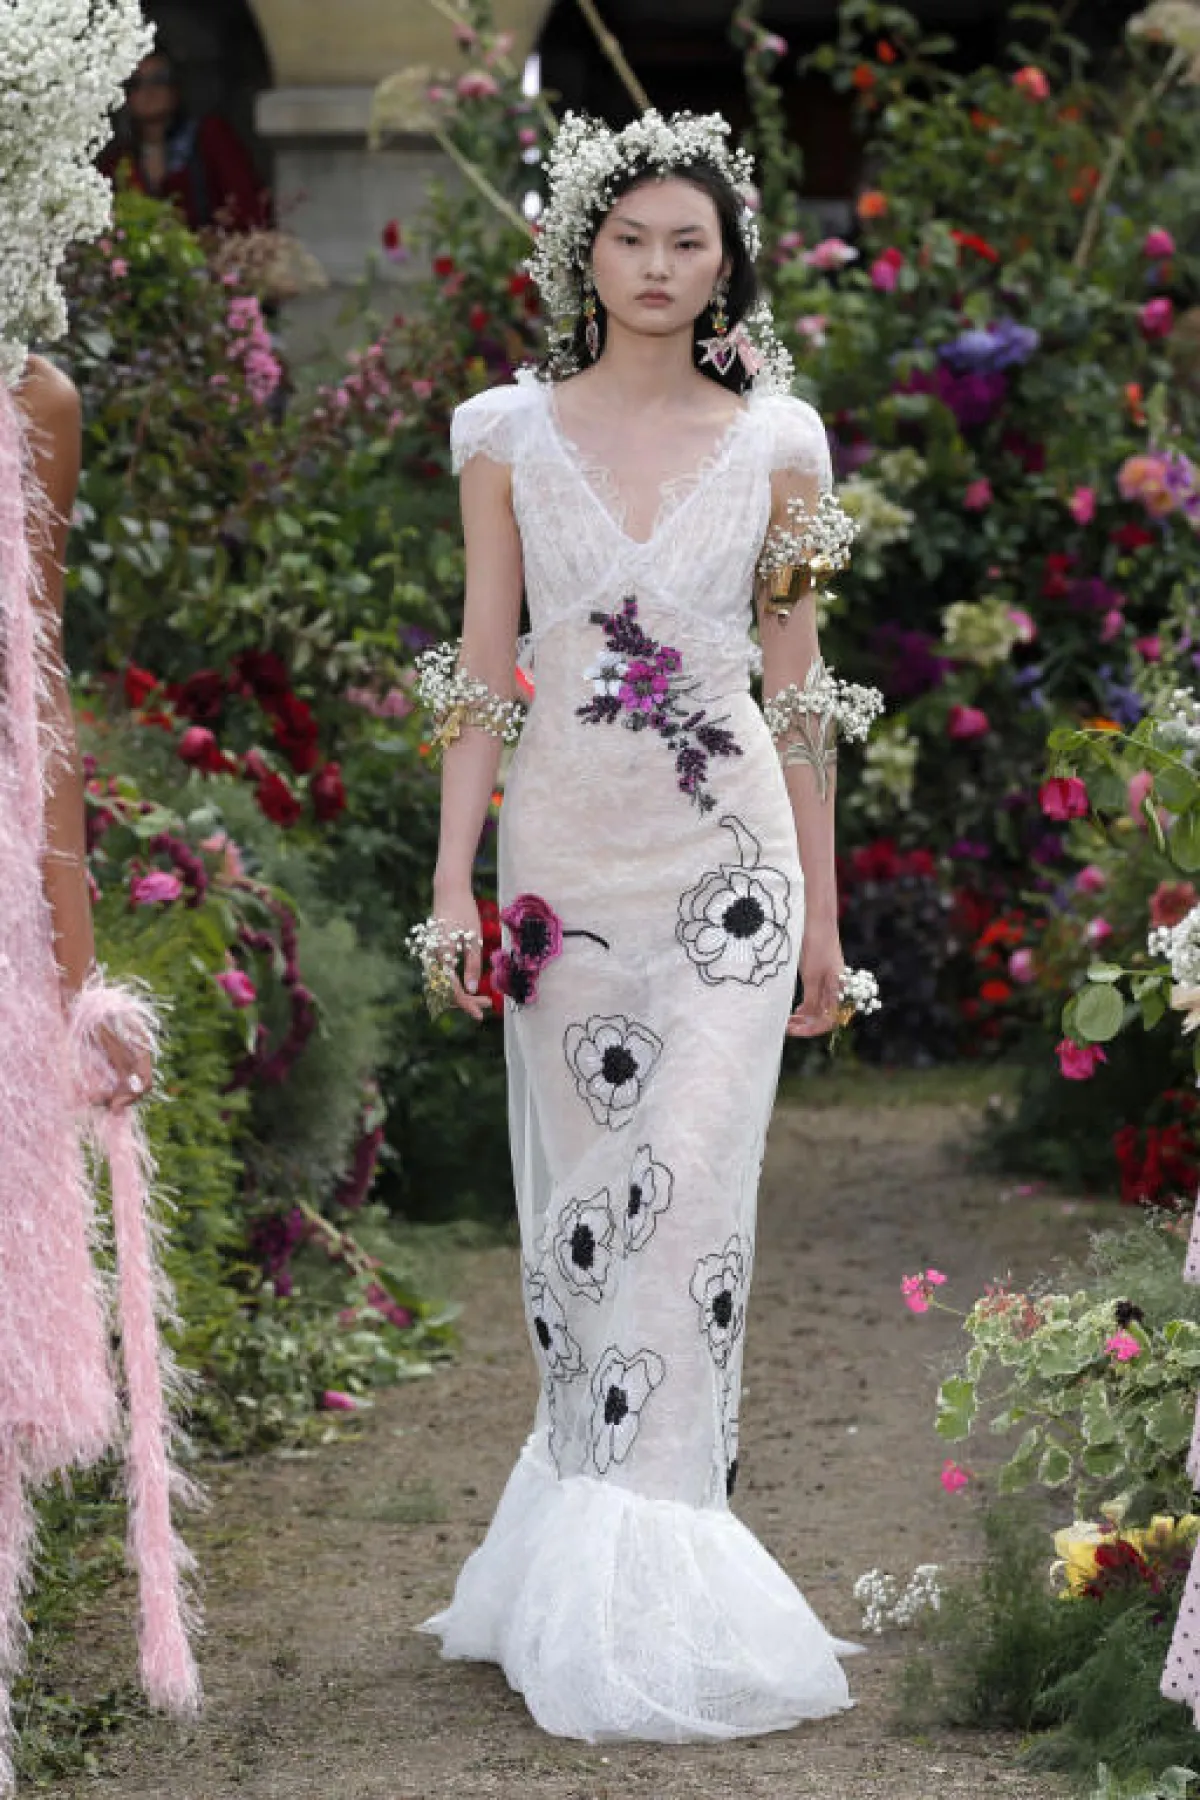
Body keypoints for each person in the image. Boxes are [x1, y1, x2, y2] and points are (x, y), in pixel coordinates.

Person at [410, 108, 880, 1743]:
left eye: (691, 242)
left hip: (731, 872)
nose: (661, 267)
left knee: (689, 1218)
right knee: (587, 1228)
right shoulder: (502, 437)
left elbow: (800, 691)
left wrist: (826, 918)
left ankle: (655, 1598)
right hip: (561, 873)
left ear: (728, 261)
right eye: (633, 240)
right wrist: (451, 882)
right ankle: (581, 1544)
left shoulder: (789, 449)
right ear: (583, 256)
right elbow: (484, 667)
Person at [100, 48, 269, 233]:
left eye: (159, 80)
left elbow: (247, 205)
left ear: (175, 88)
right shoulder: (117, 161)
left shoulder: (211, 137)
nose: (149, 91)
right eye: (136, 83)